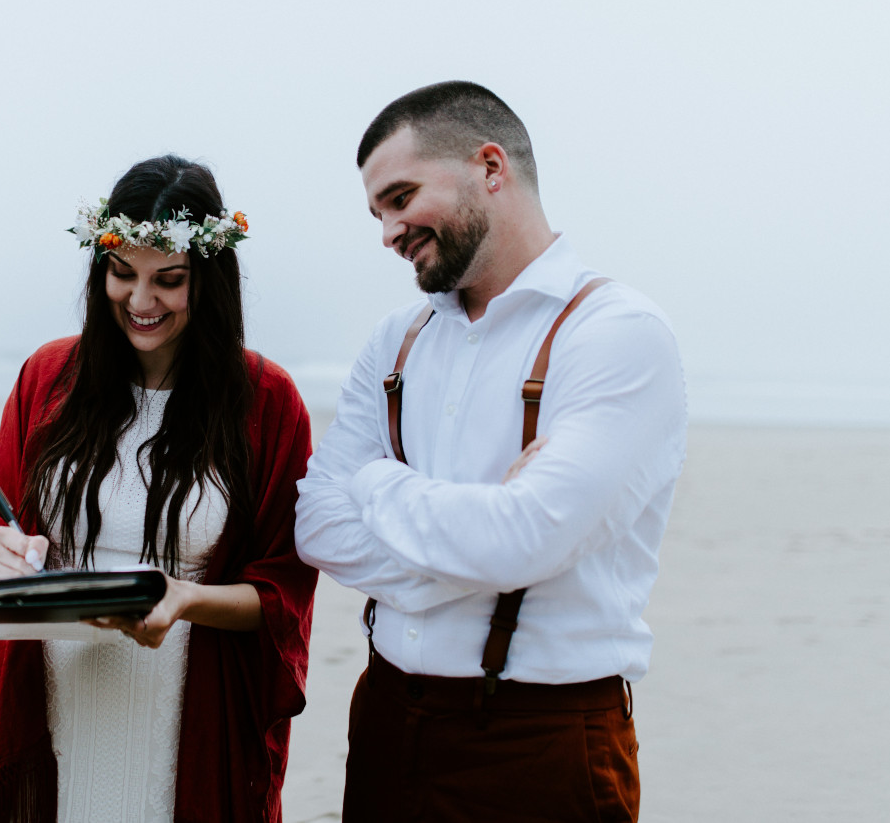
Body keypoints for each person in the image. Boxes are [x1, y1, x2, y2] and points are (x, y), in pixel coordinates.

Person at [294, 82, 686, 822]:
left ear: (491, 168)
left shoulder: (615, 334)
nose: (388, 232)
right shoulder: (395, 341)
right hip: (383, 720)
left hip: (540, 740)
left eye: (401, 196)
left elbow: (525, 537)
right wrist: (486, 547)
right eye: (377, 212)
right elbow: (317, 526)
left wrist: (375, 481)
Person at [0, 155, 318, 823]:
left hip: (189, 701)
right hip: (53, 686)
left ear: (208, 279)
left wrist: (183, 597)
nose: (141, 300)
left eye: (169, 280)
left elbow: (284, 591)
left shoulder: (268, 402)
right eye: (121, 273)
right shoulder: (48, 377)